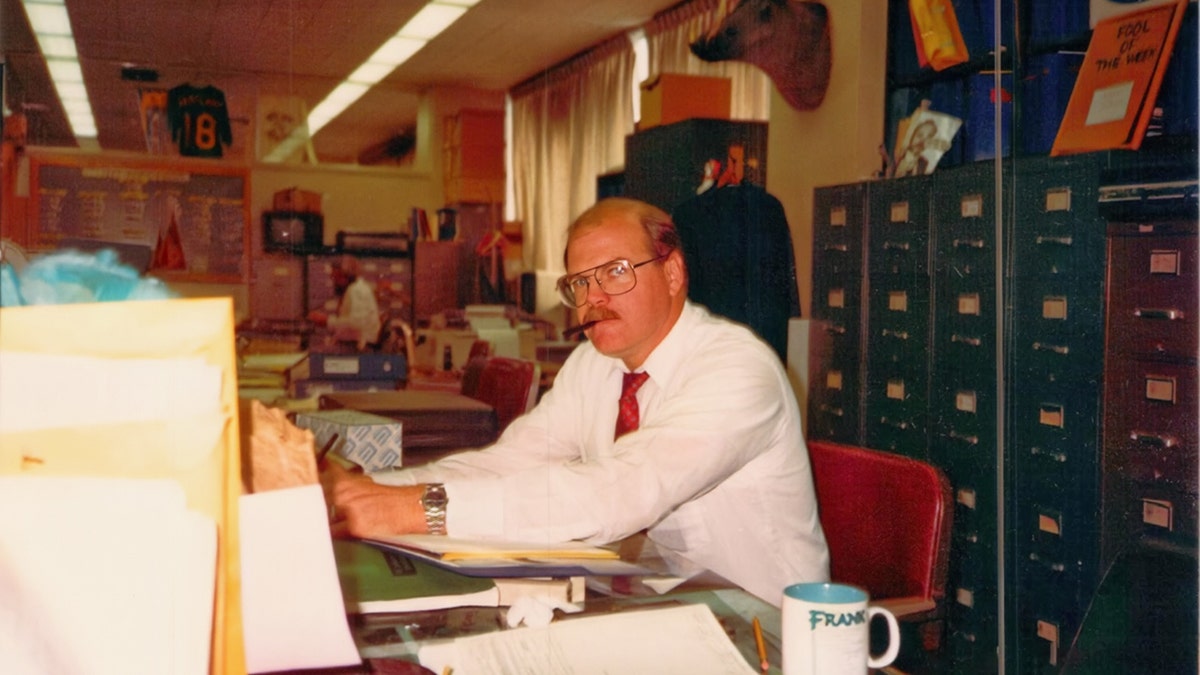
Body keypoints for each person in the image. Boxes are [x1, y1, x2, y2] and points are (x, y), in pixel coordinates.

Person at [322, 197, 829, 605]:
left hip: (766, 630)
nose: (593, 300)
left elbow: (621, 490)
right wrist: (365, 492)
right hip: (668, 604)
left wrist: (418, 510)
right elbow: (508, 463)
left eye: (615, 273)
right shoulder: (596, 364)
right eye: (580, 283)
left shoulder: (738, 368)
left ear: (673, 273)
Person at [308, 254, 381, 351]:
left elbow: (356, 324)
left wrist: (326, 321)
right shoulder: (354, 289)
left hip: (359, 347)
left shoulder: (356, 290)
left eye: (336, 278)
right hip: (354, 344)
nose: (334, 282)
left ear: (346, 276)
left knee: (313, 356)